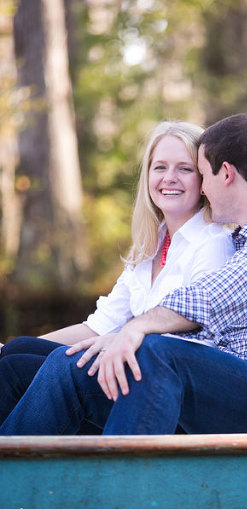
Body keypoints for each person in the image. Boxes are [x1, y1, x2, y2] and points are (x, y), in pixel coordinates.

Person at [0, 113, 247, 436]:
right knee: (65, 368)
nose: (204, 191)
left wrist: (134, 328)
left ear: (224, 174)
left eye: (199, 173)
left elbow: (217, 295)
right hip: (243, 387)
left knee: (153, 351)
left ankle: (122, 493)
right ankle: (16, 483)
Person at [0, 121, 235, 425]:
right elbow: (100, 326)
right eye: (159, 167)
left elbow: (202, 343)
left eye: (185, 169)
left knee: (25, 370)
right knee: (15, 353)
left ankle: (17, 469)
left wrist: (121, 341)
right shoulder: (151, 245)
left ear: (204, 180)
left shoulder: (213, 243)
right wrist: (9, 347)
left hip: (156, 384)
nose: (169, 178)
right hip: (121, 366)